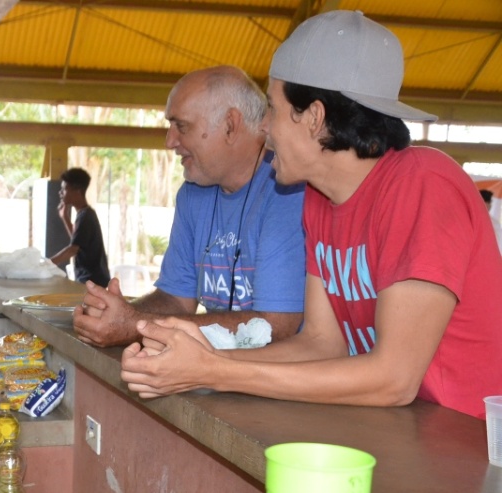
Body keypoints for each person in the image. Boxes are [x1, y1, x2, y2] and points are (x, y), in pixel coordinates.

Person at [121, 11, 502, 420]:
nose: (263, 127)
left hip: (473, 441)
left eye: (271, 108)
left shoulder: (423, 183)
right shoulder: (319, 199)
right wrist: (200, 354)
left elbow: (394, 378)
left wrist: (217, 370)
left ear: (315, 117)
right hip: (407, 429)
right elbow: (321, 344)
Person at [74, 66, 306, 347]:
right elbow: (176, 300)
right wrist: (122, 314)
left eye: (181, 126)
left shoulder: (287, 190)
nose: (170, 142)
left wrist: (135, 326)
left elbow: (275, 326)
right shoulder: (193, 194)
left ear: (230, 125)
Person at [48, 167, 111, 286]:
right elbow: (78, 242)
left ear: (77, 191)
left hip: (93, 280)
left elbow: (73, 249)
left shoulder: (85, 216)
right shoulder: (84, 214)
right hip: (91, 279)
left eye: (64, 189)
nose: (60, 193)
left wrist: (47, 264)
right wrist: (65, 218)